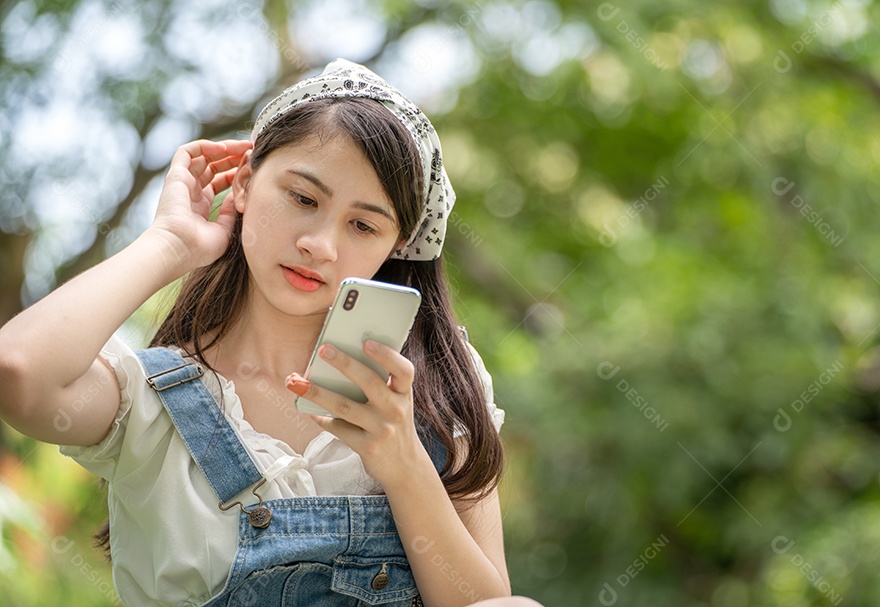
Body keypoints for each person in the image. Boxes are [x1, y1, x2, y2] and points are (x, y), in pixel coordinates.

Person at [0, 59, 540, 607]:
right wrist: (171, 243)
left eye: (363, 225)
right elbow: (17, 370)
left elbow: (484, 602)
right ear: (244, 182)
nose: (320, 245)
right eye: (304, 199)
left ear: (396, 245)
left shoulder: (433, 389)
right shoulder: (149, 398)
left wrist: (402, 462)